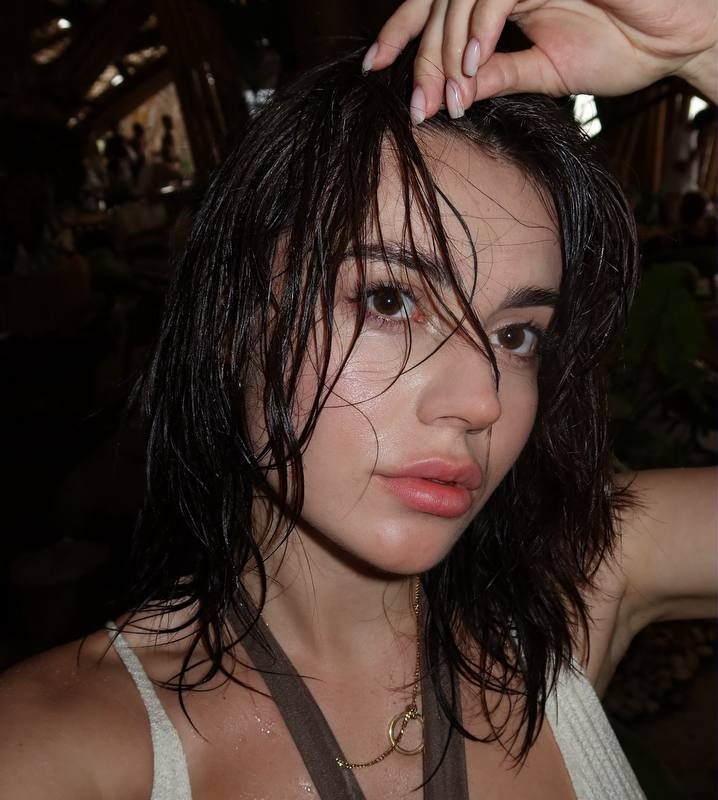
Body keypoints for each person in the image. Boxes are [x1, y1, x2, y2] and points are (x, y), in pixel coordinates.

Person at [0, 2, 716, 799]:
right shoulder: (54, 750)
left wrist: (709, 48)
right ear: (233, 322)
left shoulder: (572, 592)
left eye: (517, 335)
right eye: (389, 299)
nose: (481, 399)